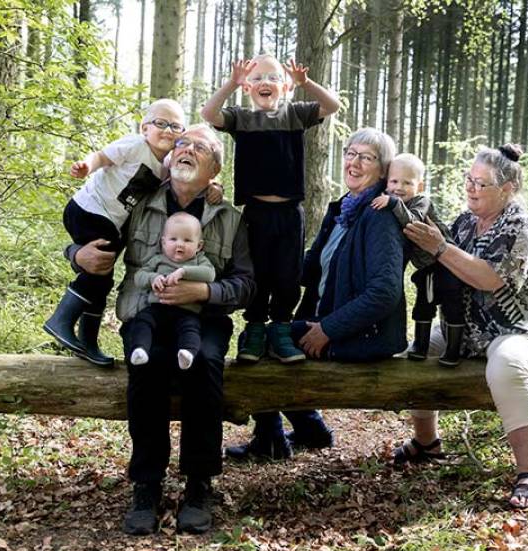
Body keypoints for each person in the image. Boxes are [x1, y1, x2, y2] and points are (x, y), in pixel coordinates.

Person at [74, 124, 254, 535]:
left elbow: (246, 284)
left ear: (215, 170)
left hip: (203, 317)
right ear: (169, 158)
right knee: (147, 366)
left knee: (206, 362)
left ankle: (198, 484)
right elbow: (95, 233)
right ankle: (146, 485)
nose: (187, 150)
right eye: (181, 144)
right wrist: (76, 253)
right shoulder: (140, 201)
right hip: (147, 312)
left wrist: (205, 290)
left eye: (200, 147)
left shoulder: (228, 218)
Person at [397, 144, 528, 510]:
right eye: (468, 180)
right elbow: (438, 263)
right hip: (469, 331)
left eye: (481, 184)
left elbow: (490, 279)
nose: (471, 188)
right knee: (417, 352)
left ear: (507, 189)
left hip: (522, 329)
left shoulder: (521, 227)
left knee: (506, 365)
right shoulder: (464, 222)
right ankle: (427, 443)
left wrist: (441, 248)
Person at [226, 127, 407, 460]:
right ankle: (311, 432)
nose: (353, 162)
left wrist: (328, 330)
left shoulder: (379, 216)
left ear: (383, 169)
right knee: (267, 336)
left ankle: (270, 441)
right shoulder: (343, 209)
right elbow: (308, 270)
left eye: (365, 158)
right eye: (350, 153)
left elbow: (384, 292)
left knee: (268, 343)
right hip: (324, 320)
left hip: (365, 334)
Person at [201, 55, 340, 364]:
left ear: (286, 86)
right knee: (257, 271)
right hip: (255, 213)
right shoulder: (242, 118)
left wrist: (307, 83)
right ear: (248, 87)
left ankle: (280, 329)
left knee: (288, 273)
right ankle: (254, 330)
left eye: (274, 78)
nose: (266, 83)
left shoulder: (295, 114)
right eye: (258, 78)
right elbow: (208, 113)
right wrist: (230, 83)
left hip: (290, 213)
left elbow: (332, 106)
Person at [44, 99, 186, 367]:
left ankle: (88, 340)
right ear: (145, 128)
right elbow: (101, 156)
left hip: (110, 220)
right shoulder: (135, 145)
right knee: (99, 272)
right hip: (90, 209)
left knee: (102, 279)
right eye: (160, 123)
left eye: (175, 126)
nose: (167, 130)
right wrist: (87, 166)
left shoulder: (166, 166)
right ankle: (60, 320)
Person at [369, 153, 461, 365]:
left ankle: (453, 349)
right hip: (426, 268)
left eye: (407, 183)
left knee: (451, 305)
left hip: (446, 264)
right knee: (423, 305)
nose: (398, 187)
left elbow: (413, 222)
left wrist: (392, 202)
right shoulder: (398, 201)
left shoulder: (421, 202)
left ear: (419, 186)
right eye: (393, 182)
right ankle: (420, 345)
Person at [128, 212, 216, 369]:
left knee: (191, 328)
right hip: (158, 308)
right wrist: (153, 278)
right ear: (163, 242)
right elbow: (139, 276)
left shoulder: (198, 260)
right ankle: (140, 349)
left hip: (186, 311)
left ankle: (187, 353)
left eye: (187, 240)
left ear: (199, 246)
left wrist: (184, 272)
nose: (180, 244)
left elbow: (210, 274)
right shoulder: (159, 259)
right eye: (173, 239)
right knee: (142, 320)